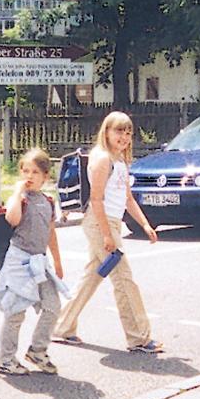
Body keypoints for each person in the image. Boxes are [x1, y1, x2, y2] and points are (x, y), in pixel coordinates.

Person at [52, 111, 164, 354]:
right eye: (118, 131)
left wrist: (145, 225)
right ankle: (139, 338)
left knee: (92, 277)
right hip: (100, 223)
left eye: (128, 132)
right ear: (107, 132)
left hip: (110, 223)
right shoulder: (102, 159)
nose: (124, 137)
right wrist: (106, 235)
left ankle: (62, 327)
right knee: (124, 280)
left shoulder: (120, 160)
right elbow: (96, 200)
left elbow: (127, 198)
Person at [0, 148, 69, 376]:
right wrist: (17, 192)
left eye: (35, 172)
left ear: (46, 176)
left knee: (52, 306)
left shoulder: (47, 201)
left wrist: (57, 260)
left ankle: (38, 349)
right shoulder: (20, 199)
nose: (29, 176)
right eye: (25, 171)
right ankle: (5, 358)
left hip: (39, 262)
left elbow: (50, 232)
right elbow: (12, 218)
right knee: (15, 312)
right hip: (19, 261)